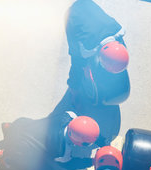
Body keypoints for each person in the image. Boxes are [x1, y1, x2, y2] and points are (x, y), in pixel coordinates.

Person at [55, 0, 131, 146]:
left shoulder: (116, 33)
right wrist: (74, 87)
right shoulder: (83, 46)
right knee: (80, 67)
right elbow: (76, 63)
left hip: (88, 8)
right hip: (74, 18)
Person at [0, 112, 100, 170]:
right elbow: (69, 164)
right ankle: (7, 158)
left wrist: (100, 140)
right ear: (76, 140)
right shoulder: (62, 152)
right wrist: (92, 161)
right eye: (87, 143)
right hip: (20, 147)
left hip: (21, 124)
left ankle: (9, 128)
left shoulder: (69, 115)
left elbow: (84, 128)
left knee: (26, 128)